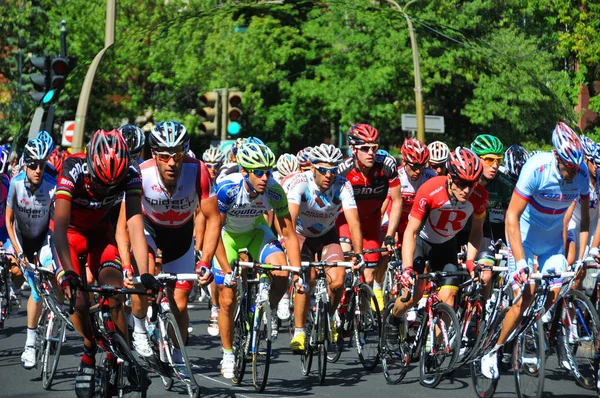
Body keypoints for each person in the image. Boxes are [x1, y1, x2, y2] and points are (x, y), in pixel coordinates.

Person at [480, 122, 590, 379]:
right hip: (524, 239)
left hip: (552, 243)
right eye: (567, 167)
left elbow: (584, 221)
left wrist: (582, 258)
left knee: (556, 292)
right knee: (523, 299)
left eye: (576, 168)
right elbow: (511, 217)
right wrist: (520, 262)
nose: (572, 173)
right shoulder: (536, 168)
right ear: (555, 156)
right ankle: (493, 350)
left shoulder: (582, 172)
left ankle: (528, 331)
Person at [53, 130, 153, 398]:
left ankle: (121, 355)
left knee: (114, 291)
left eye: (113, 185)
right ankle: (88, 350)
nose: (107, 190)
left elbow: (134, 224)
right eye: (100, 183)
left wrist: (144, 274)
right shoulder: (73, 167)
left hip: (100, 234)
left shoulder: (131, 172)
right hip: (69, 237)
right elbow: (59, 227)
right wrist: (71, 275)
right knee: (79, 301)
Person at [214, 142, 302, 379]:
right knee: (228, 295)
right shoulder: (227, 190)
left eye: (269, 171)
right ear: (245, 171)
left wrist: (297, 271)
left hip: (256, 232)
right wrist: (226, 269)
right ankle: (228, 354)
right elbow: (214, 230)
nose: (265, 177)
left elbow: (289, 233)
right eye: (259, 172)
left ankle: (267, 312)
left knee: (282, 274)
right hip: (227, 237)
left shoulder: (274, 191)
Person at [386, 147, 487, 346]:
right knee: (412, 295)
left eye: (472, 184)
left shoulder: (480, 197)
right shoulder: (430, 190)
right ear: (450, 177)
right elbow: (411, 231)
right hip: (422, 242)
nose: (466, 190)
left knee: (449, 297)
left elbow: (477, 231)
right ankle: (393, 319)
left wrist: (469, 261)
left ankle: (434, 348)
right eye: (461, 183)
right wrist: (407, 269)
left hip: (447, 245)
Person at [139, 121, 220, 351]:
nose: (172, 163)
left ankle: (178, 357)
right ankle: (140, 328)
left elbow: (213, 218)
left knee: (180, 305)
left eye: (178, 155)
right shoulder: (142, 173)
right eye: (164, 156)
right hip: (150, 229)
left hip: (181, 235)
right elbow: (129, 221)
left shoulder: (198, 171)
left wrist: (205, 260)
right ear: (154, 154)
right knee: (146, 281)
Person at [284, 144, 364, 351]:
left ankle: (328, 319)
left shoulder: (343, 185)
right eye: (323, 170)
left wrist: (358, 253)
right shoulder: (300, 183)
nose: (329, 175)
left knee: (338, 281)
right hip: (301, 235)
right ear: (312, 168)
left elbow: (353, 221)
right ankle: (300, 331)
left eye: (333, 170)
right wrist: (292, 261)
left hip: (327, 236)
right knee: (306, 278)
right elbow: (290, 223)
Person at [336, 124, 401, 311]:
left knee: (370, 275)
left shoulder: (387, 166)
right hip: (346, 222)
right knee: (346, 265)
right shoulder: (343, 169)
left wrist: (390, 234)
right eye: (365, 149)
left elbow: (397, 201)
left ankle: (361, 317)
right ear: (354, 149)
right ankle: (338, 308)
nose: (371, 153)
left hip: (372, 221)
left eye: (374, 148)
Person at [5, 138, 55, 369]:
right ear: (25, 163)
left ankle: (54, 318)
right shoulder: (15, 183)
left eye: (42, 165)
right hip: (22, 239)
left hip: (43, 238)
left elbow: (56, 224)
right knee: (35, 290)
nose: (38, 170)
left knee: (53, 275)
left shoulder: (52, 185)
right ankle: (30, 345)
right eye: (33, 165)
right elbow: (8, 221)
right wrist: (18, 251)